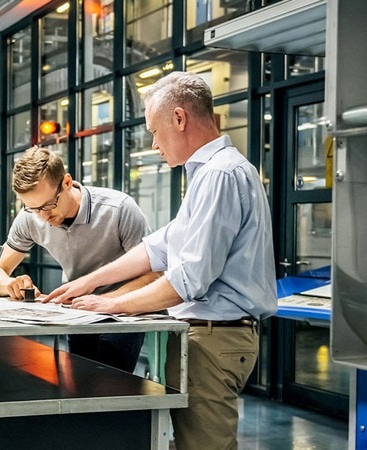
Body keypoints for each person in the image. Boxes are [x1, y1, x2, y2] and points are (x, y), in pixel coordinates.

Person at [45, 72, 277, 450]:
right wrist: (87, 283)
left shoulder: (220, 174)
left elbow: (189, 279)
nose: (154, 144)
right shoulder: (207, 175)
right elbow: (159, 247)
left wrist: (112, 305)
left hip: (215, 338)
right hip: (206, 337)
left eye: (155, 131)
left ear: (180, 118)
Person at [0, 146, 155, 373]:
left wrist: (105, 301)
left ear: (66, 182)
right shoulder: (30, 217)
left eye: (48, 205)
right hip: (76, 312)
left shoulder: (118, 209)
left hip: (121, 313)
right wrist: (10, 284)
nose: (43, 217)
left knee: (111, 384)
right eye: (33, 208)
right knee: (78, 384)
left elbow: (154, 273)